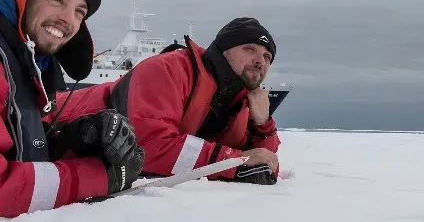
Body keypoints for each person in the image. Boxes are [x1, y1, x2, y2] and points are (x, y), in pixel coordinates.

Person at [0, 0, 144, 218]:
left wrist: (77, 139)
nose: (68, 19)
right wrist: (99, 177)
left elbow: (22, 155)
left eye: (80, 12)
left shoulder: (30, 67)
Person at [56, 17, 283, 185]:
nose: (259, 61)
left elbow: (263, 165)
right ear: (223, 51)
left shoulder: (241, 102)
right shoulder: (166, 69)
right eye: (249, 49)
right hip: (49, 124)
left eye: (267, 57)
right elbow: (147, 146)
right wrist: (231, 160)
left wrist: (262, 124)